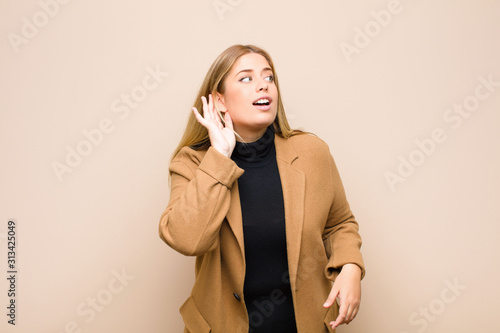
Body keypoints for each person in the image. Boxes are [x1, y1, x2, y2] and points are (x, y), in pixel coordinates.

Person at [158, 44, 365, 333]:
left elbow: (339, 223)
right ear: (219, 100)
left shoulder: (311, 152)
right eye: (246, 78)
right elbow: (187, 240)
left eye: (269, 78)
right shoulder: (192, 163)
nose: (263, 87)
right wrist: (219, 158)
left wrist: (351, 267)